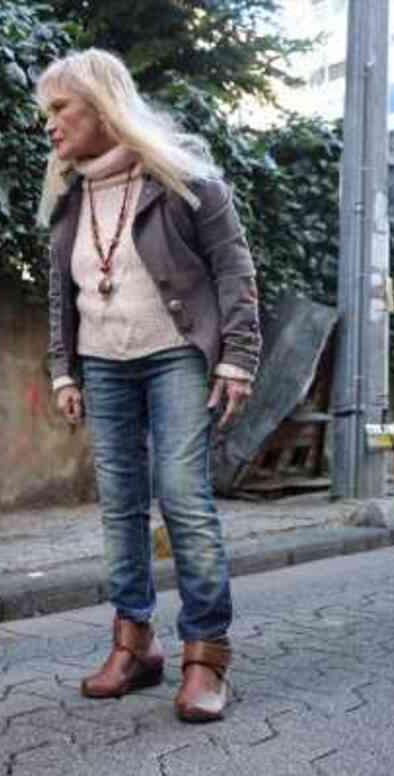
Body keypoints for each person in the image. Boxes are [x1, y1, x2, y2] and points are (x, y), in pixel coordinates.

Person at [36, 49, 261, 722]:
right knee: (119, 506)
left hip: (175, 356)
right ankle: (133, 644)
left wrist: (237, 357)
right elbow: (61, 291)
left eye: (58, 109)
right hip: (102, 363)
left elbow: (234, 270)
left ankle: (204, 653)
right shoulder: (68, 195)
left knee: (183, 497)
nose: (48, 125)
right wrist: (62, 367)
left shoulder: (183, 180)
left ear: (102, 106)